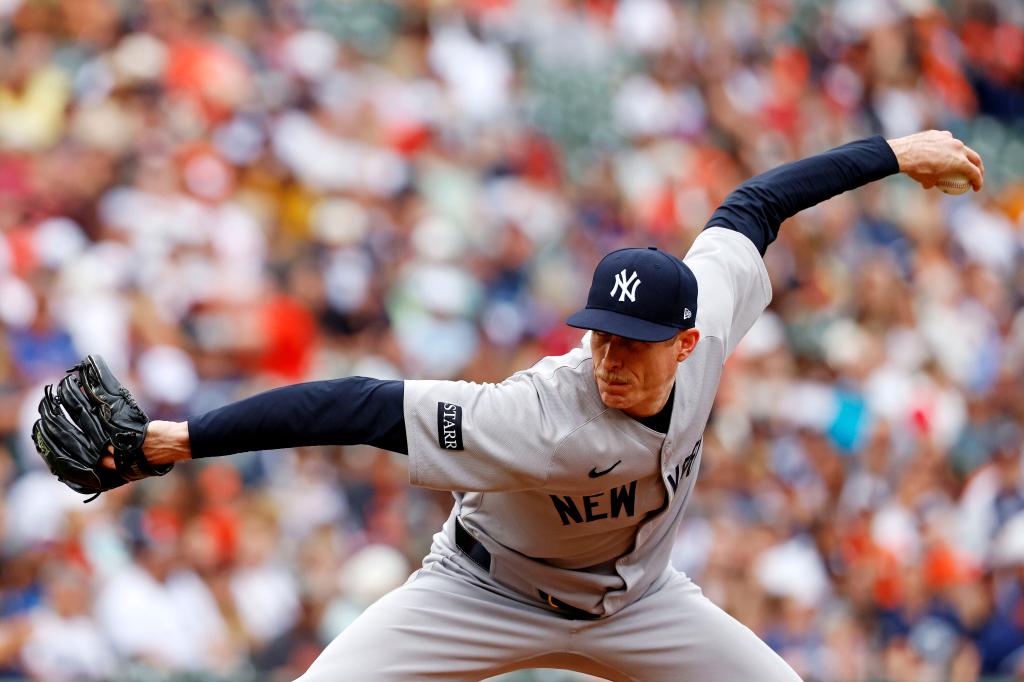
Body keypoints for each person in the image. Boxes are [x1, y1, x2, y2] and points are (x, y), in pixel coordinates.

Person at [103, 130, 982, 680]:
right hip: (480, 595)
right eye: (600, 335)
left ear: (684, 343)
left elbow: (756, 204)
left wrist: (895, 154)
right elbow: (358, 406)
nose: (609, 358)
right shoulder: (534, 414)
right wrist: (183, 438)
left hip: (642, 607)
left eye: (632, 344)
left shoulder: (707, 323)